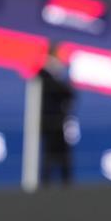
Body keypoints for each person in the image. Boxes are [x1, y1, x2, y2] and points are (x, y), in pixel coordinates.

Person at [37, 43, 75, 186]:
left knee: (62, 156)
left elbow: (69, 94)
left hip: (59, 122)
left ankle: (66, 186)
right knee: (49, 155)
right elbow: (63, 92)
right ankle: (45, 185)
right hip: (49, 122)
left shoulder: (58, 75)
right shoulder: (43, 74)